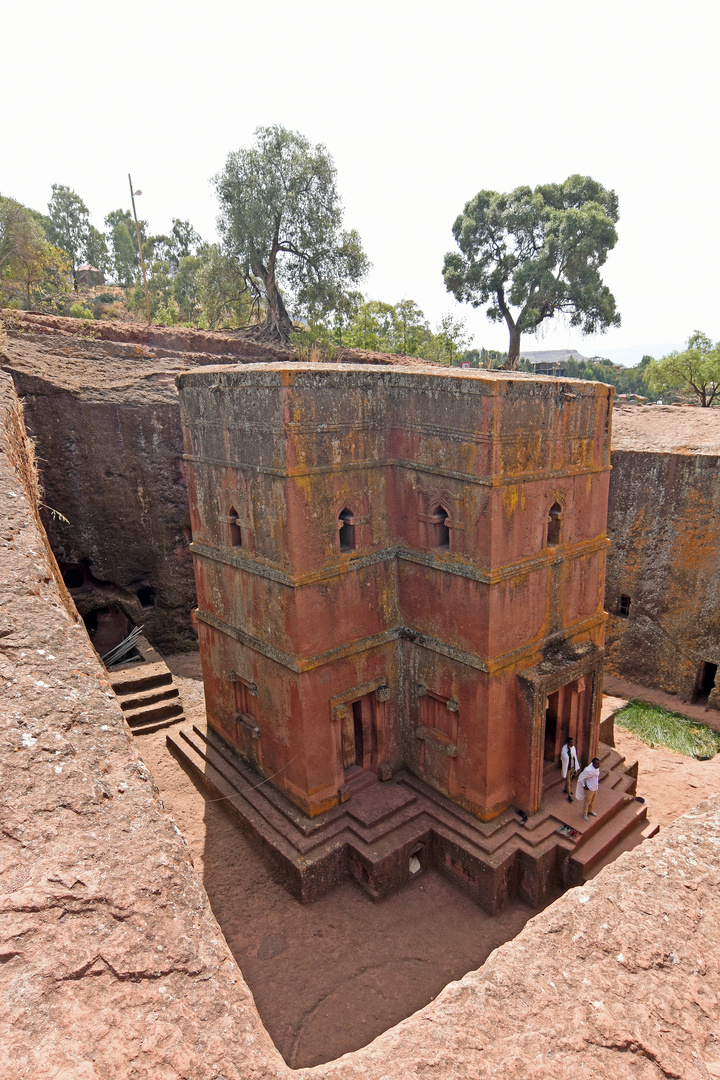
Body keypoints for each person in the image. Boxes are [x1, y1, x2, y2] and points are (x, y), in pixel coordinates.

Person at [560, 736, 580, 803]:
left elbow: (574, 756)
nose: (572, 743)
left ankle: (566, 789)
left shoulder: (573, 748)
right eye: (571, 742)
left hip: (572, 767)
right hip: (568, 768)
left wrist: (575, 768)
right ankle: (569, 796)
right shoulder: (564, 749)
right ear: (568, 743)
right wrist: (569, 751)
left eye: (573, 742)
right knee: (568, 782)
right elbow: (565, 757)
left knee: (569, 779)